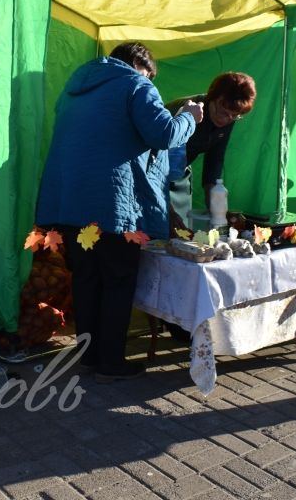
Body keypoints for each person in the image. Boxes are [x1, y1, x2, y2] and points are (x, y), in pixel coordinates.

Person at [35, 42, 202, 383]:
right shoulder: (136, 85)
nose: (151, 80)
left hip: (72, 205)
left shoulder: (74, 90)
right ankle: (111, 362)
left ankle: (89, 357)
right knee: (117, 281)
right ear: (140, 66)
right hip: (114, 207)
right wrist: (189, 117)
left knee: (86, 280)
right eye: (150, 74)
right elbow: (165, 133)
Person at [165, 72, 257, 230]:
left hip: (180, 173)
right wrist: (167, 209)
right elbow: (153, 165)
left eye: (234, 116)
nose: (226, 119)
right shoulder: (187, 111)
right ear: (212, 98)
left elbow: (215, 159)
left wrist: (216, 208)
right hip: (151, 175)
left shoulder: (229, 114)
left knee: (181, 233)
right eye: (223, 112)